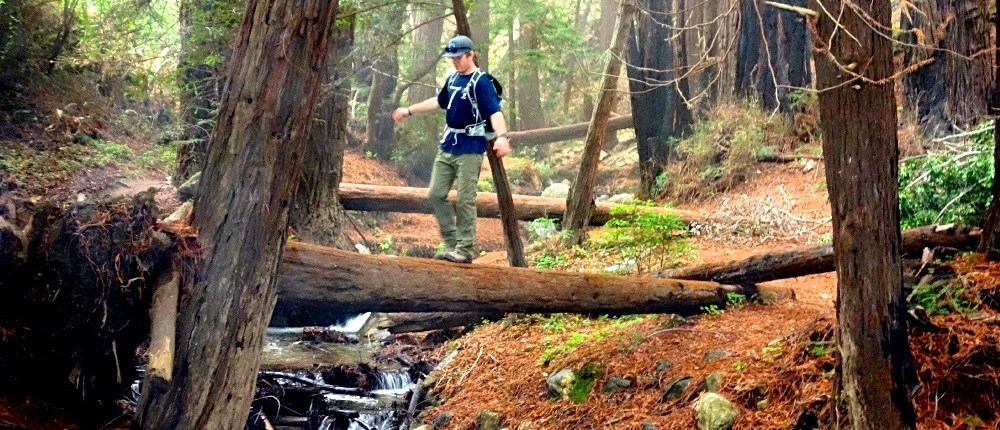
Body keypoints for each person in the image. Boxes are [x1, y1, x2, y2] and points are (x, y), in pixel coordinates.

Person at [392, 35, 511, 264]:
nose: (455, 61)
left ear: (470, 55)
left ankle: (465, 249)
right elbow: (439, 101)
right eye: (452, 57)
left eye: (459, 57)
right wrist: (409, 110)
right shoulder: (453, 78)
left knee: (466, 199)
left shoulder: (481, 81)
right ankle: (451, 242)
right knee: (436, 194)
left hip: (470, 148)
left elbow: (494, 112)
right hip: (448, 145)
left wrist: (502, 137)